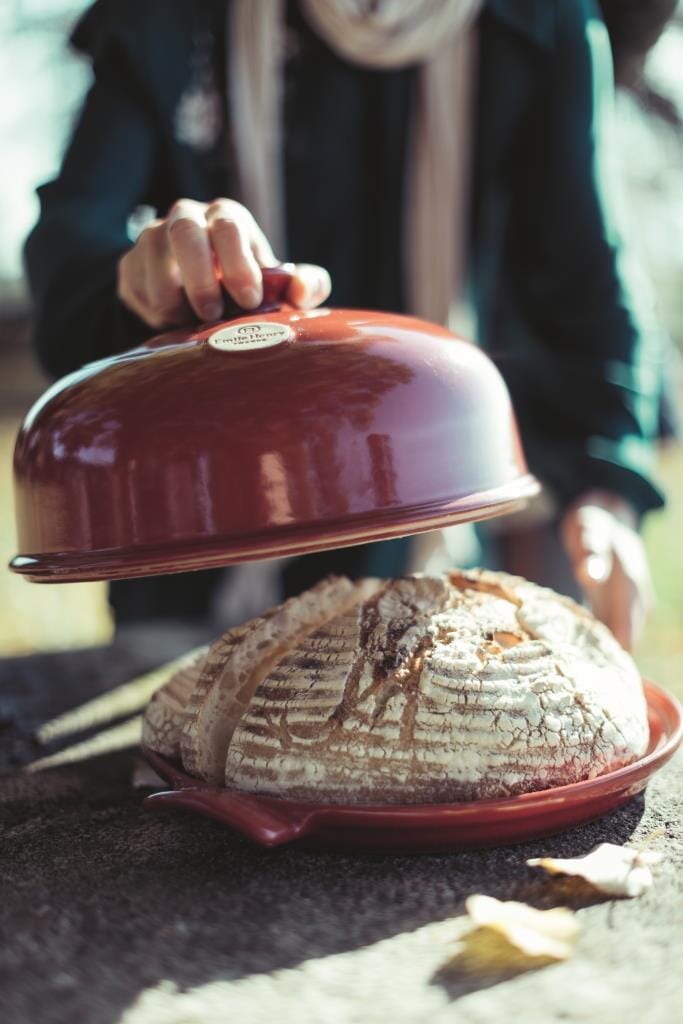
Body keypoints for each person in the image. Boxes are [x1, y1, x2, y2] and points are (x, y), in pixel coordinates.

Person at [25, 0, 675, 650]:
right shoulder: (172, 19)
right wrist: (138, 279)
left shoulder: (537, 23)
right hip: (199, 548)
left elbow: (585, 283)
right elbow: (68, 260)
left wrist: (606, 485)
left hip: (429, 541)